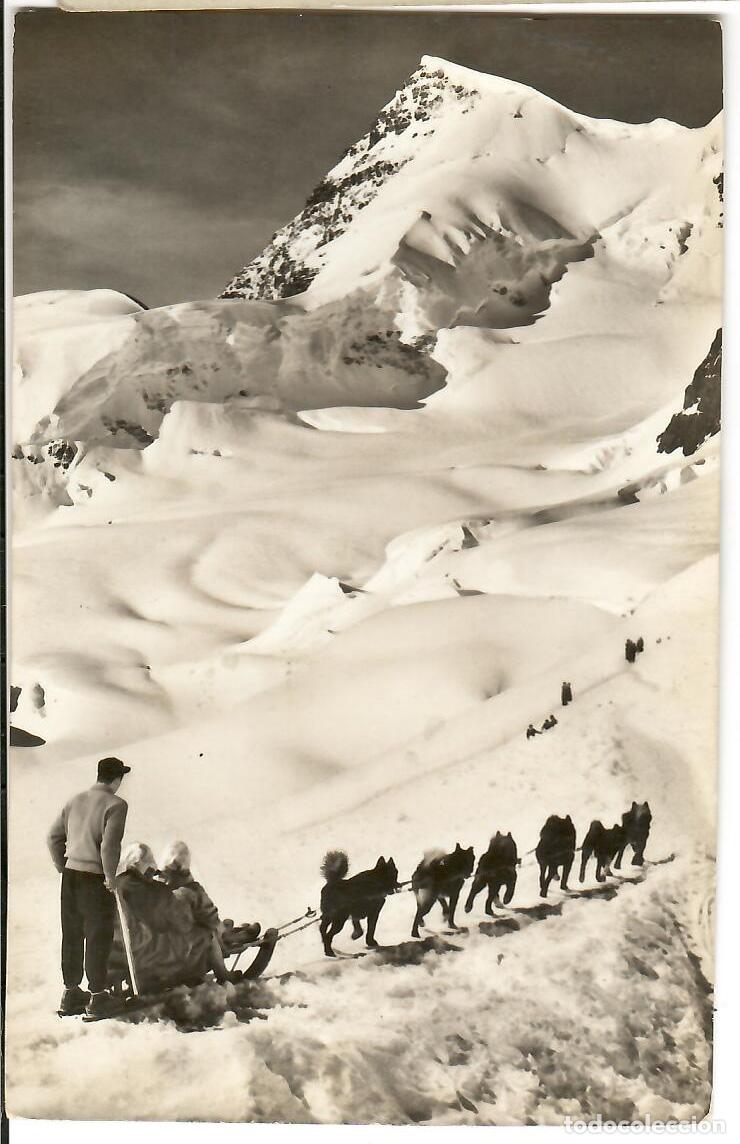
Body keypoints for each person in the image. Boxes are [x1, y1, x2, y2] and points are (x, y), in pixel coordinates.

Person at [47, 756, 131, 1016]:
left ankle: (71, 992)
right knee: (98, 935)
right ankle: (98, 996)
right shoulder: (116, 804)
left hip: (70, 877)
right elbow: (109, 845)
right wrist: (110, 877)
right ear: (117, 779)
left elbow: (53, 837)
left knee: (72, 933)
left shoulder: (75, 800)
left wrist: (63, 866)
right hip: (94, 879)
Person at [107, 842, 201, 993]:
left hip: (113, 952)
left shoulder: (116, 884)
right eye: (151, 869)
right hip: (141, 952)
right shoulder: (153, 890)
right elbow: (180, 922)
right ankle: (181, 979)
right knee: (192, 938)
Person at [158, 841, 242, 985]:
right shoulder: (191, 891)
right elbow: (210, 918)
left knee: (209, 928)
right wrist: (220, 931)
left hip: (162, 948)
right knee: (209, 935)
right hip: (187, 954)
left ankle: (231, 934)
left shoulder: (158, 885)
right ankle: (223, 974)